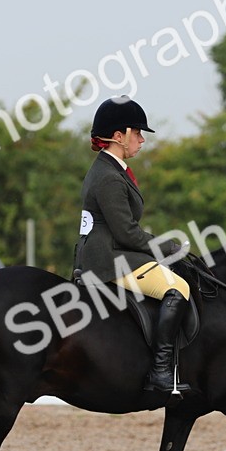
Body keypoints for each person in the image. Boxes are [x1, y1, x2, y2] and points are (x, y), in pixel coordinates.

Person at [74, 95, 191, 394]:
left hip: (108, 251)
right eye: (137, 133)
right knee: (178, 289)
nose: (142, 140)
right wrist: (168, 248)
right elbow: (126, 232)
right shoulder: (110, 177)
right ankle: (161, 372)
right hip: (109, 258)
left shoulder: (110, 169)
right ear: (118, 136)